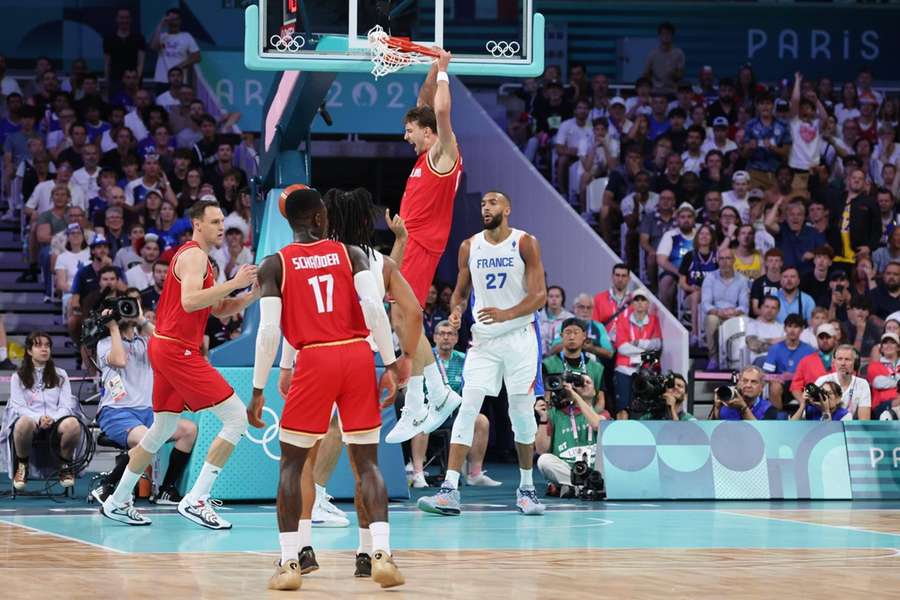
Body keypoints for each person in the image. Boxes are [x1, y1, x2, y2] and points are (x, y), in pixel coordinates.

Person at [248, 186, 414, 590]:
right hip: (357, 354)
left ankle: (290, 563)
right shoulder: (351, 254)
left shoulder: (275, 264)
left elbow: (268, 331)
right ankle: (380, 555)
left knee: (292, 465)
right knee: (367, 464)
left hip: (315, 357)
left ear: (291, 223)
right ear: (321, 218)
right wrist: (390, 363)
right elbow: (375, 309)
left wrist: (257, 388)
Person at [99, 199, 259, 529]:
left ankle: (116, 500)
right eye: (214, 222)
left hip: (168, 348)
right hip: (177, 350)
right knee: (236, 418)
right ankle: (197, 499)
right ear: (197, 224)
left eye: (222, 223)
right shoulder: (194, 255)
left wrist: (252, 295)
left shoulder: (206, 262)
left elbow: (214, 308)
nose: (220, 228)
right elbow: (189, 302)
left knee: (162, 430)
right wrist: (236, 281)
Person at [417, 191, 548, 518]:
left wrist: (508, 313)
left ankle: (527, 489)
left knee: (520, 413)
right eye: (482, 204)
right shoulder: (469, 246)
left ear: (507, 208)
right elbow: (460, 293)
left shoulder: (525, 243)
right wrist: (457, 311)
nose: (485, 208)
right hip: (484, 340)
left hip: (519, 338)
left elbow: (540, 295)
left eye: (492, 203)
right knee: (467, 406)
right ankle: (449, 490)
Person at [386, 50, 466, 443]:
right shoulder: (424, 153)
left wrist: (447, 74)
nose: (406, 136)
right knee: (402, 320)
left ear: (427, 132)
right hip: (410, 244)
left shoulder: (443, 151)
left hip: (420, 246)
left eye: (409, 131)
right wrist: (435, 62)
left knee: (405, 320)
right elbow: (425, 95)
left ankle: (424, 397)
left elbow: (442, 112)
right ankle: (430, 393)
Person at [91, 290, 197, 505]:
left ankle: (167, 490)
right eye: (122, 306)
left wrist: (140, 320)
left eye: (130, 305)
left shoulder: (145, 342)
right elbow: (120, 360)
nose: (126, 310)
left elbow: (170, 344)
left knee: (189, 430)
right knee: (147, 439)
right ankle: (108, 486)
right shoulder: (104, 344)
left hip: (149, 412)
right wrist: (112, 327)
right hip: (117, 412)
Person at [1, 332, 84, 490]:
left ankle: (65, 465)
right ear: (30, 351)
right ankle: (22, 465)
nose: (44, 349)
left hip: (57, 422)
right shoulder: (17, 377)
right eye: (38, 345)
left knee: (73, 423)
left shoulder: (61, 375)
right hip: (30, 422)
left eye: (47, 345)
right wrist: (39, 418)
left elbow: (67, 406)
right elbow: (18, 407)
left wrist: (52, 418)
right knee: (23, 422)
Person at [534, 373, 608, 496]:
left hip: (596, 471)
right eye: (580, 382)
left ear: (594, 392)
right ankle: (586, 487)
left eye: (588, 382)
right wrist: (543, 418)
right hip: (569, 471)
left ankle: (574, 488)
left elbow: (596, 425)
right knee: (544, 460)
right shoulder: (555, 414)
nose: (584, 384)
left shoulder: (602, 413)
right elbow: (541, 450)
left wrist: (576, 396)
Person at [610, 290, 662, 416]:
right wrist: (646, 351)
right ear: (632, 303)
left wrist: (637, 342)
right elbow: (622, 348)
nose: (639, 303)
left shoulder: (654, 320)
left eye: (643, 300)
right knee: (623, 405)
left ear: (648, 303)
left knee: (642, 406)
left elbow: (657, 344)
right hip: (624, 369)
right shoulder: (622, 320)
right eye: (636, 300)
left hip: (645, 370)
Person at [701, 246, 749, 369]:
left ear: (733, 260)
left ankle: (738, 359)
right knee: (711, 320)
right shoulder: (710, 278)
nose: (725, 262)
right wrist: (718, 311)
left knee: (743, 318)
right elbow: (706, 303)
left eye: (728, 258)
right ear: (718, 260)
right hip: (716, 313)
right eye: (721, 258)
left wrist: (735, 312)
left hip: (734, 314)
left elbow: (744, 305)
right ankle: (713, 358)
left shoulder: (742, 280)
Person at [828, 167, 881, 272]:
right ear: (848, 180)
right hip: (837, 255)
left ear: (865, 183)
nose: (856, 180)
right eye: (854, 178)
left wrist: (869, 247)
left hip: (858, 255)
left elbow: (877, 229)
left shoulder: (870, 202)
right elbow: (831, 223)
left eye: (860, 179)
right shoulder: (838, 199)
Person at [762, 313, 815, 410]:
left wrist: (793, 376)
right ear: (785, 328)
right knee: (774, 387)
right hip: (782, 385)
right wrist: (780, 377)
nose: (792, 330)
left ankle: (808, 416)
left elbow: (812, 375)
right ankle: (778, 417)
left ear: (802, 329)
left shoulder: (809, 350)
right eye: (789, 326)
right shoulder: (775, 349)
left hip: (801, 385)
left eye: (796, 327)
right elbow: (766, 375)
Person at [679, 224, 718, 346]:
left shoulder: (717, 257)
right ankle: (695, 334)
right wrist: (690, 288)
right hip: (691, 297)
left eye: (707, 234)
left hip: (713, 297)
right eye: (701, 233)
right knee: (697, 295)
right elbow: (681, 283)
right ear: (697, 237)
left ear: (712, 238)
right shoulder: (689, 256)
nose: (704, 236)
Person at [656, 202, 697, 313]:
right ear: (677, 219)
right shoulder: (670, 235)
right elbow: (661, 259)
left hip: (697, 271)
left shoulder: (700, 234)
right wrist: (680, 273)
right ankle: (668, 315)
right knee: (666, 281)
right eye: (682, 217)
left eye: (689, 217)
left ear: (694, 219)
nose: (686, 220)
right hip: (675, 272)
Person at [814, 345, 871, 420]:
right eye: (840, 359)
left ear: (855, 363)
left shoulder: (862, 384)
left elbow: (864, 420)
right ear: (834, 362)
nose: (843, 363)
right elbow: (811, 413)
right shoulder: (822, 381)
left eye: (847, 359)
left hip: (850, 428)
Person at [789, 322, 839, 405]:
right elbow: (795, 387)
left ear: (835, 338)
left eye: (828, 337)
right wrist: (804, 403)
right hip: (813, 406)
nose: (825, 340)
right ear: (816, 339)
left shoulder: (844, 359)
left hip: (839, 405)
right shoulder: (806, 361)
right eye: (821, 337)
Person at [150, 8, 200, 88]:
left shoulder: (186, 36)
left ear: (180, 21)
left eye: (175, 19)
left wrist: (178, 67)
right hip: (162, 79)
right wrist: (160, 25)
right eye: (171, 19)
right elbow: (153, 47)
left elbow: (197, 57)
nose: (173, 22)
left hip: (179, 80)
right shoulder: (162, 36)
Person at [711, 365, 778, 420]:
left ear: (762, 387)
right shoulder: (726, 403)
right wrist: (717, 409)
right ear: (739, 383)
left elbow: (761, 433)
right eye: (745, 381)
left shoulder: (769, 409)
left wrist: (743, 408)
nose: (748, 385)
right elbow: (712, 432)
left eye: (753, 382)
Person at [592, 263, 635, 331]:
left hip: (627, 341)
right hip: (604, 340)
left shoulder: (635, 301)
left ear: (629, 279)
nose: (620, 279)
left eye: (624, 276)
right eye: (617, 275)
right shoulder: (598, 299)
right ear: (612, 277)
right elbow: (594, 325)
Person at [745, 296, 785, 367]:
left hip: (779, 360)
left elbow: (786, 347)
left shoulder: (783, 327)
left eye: (773, 308)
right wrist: (772, 341)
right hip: (759, 360)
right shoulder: (752, 325)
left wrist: (763, 341)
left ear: (778, 311)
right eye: (767, 307)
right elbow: (754, 345)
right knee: (769, 362)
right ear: (761, 308)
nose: (769, 310)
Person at [866, 332, 900, 411]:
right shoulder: (874, 366)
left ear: (898, 347)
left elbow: (884, 381)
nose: (888, 345)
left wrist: (890, 379)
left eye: (892, 343)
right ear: (881, 348)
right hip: (881, 405)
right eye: (885, 343)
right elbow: (878, 383)